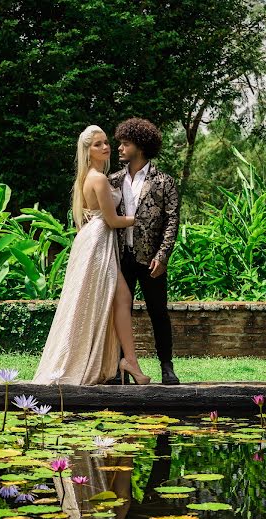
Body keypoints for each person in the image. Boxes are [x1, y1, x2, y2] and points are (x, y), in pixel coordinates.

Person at [32, 125, 150, 386]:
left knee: (119, 297)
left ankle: (129, 361)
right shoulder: (98, 179)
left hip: (93, 240)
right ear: (87, 151)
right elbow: (112, 220)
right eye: (98, 144)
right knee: (100, 300)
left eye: (106, 142)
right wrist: (142, 219)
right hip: (97, 242)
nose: (105, 147)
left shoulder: (91, 177)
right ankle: (124, 361)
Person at [108, 117, 181, 385]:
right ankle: (119, 368)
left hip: (151, 260)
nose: (120, 148)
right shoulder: (112, 180)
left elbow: (173, 221)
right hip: (120, 258)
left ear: (140, 146)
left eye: (125, 144)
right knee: (119, 312)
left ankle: (167, 367)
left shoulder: (164, 182)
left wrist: (162, 256)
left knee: (158, 312)